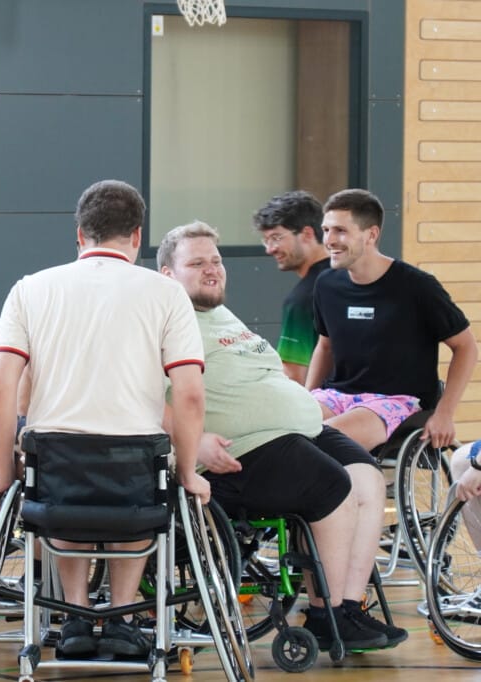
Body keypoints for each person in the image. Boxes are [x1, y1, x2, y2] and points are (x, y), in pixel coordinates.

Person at [0, 179, 209, 659]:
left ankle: (77, 617)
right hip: (136, 468)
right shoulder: (167, 295)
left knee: (59, 472)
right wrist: (189, 472)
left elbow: (0, 388)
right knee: (145, 485)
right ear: (137, 235)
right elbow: (188, 395)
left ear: (80, 234)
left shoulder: (30, 289)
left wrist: (3, 472)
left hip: (57, 466)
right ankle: (123, 617)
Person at [158, 221, 406, 650]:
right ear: (167, 275)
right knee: (334, 485)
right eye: (197, 263)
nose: (212, 269)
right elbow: (141, 392)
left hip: (294, 429)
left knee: (367, 478)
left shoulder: (220, 313)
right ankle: (324, 611)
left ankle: (346, 607)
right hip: (243, 450)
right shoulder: (162, 319)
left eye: (216, 261)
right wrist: (192, 440)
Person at [306, 189, 477, 452]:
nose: (329, 240)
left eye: (340, 230)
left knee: (323, 441)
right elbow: (325, 346)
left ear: (371, 234)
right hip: (337, 396)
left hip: (397, 401)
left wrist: (444, 413)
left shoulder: (417, 287)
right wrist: (308, 396)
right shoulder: (327, 284)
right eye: (326, 230)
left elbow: (466, 346)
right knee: (282, 428)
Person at [253, 190, 329, 383]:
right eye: (266, 239)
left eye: (277, 237)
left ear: (307, 234)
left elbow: (293, 376)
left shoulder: (302, 300)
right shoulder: (351, 276)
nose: (269, 249)